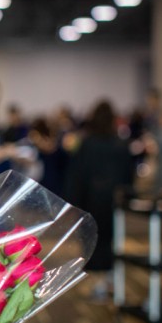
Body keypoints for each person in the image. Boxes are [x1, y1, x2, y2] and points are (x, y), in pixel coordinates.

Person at [65, 100, 133, 300]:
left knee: (92, 240)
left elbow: (76, 174)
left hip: (90, 199)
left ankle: (98, 283)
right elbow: (128, 176)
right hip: (113, 199)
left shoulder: (87, 143)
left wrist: (73, 201)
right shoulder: (120, 144)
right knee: (110, 239)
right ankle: (110, 279)